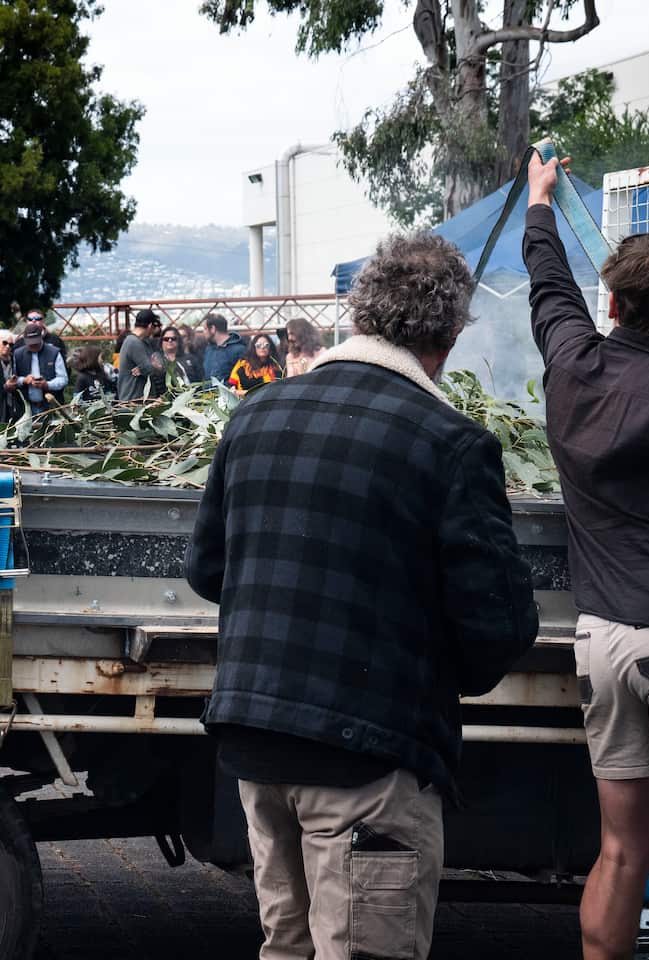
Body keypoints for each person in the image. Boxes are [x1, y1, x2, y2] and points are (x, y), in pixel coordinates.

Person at [187, 231, 537, 960]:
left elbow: (206, 571)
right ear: (448, 336)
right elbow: (496, 626)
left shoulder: (256, 415)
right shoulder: (451, 442)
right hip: (368, 755)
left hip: (256, 741)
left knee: (284, 946)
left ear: (361, 311)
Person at [524, 154, 649, 960]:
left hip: (600, 642)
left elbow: (547, 283)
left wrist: (540, 202)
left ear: (613, 300)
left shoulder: (573, 362)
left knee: (621, 848)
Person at [13, 323, 67, 414]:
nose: (33, 346)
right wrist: (24, 380)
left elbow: (63, 379)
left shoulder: (54, 352)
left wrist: (47, 385)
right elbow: (12, 379)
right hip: (26, 407)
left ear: (41, 337)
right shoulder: (17, 354)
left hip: (50, 406)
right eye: (30, 343)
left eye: (35, 343)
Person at [116, 309, 157, 401]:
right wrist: (152, 366)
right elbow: (149, 369)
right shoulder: (133, 342)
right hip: (133, 399)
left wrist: (145, 367)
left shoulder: (141, 342)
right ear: (150, 326)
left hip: (140, 399)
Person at [150, 324, 202, 395]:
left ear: (178, 340)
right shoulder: (156, 359)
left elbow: (199, 380)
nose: (170, 340)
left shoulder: (191, 358)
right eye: (166, 339)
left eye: (173, 338)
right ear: (161, 341)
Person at [203, 313, 246, 384]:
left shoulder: (239, 351)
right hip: (209, 394)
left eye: (205, 329)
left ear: (213, 329)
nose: (203, 332)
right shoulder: (209, 350)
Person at [0, 329, 25, 422]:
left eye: (11, 345)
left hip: (11, 404)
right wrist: (5, 387)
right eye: (4, 343)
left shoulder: (13, 359)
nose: (8, 346)